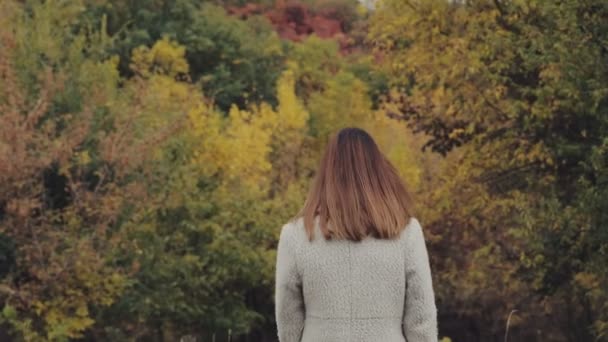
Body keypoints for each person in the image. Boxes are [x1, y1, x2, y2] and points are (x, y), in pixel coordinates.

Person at [275, 127, 438, 342]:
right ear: (377, 171)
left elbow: (288, 319)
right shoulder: (406, 232)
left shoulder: (295, 235)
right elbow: (421, 318)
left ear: (327, 171)